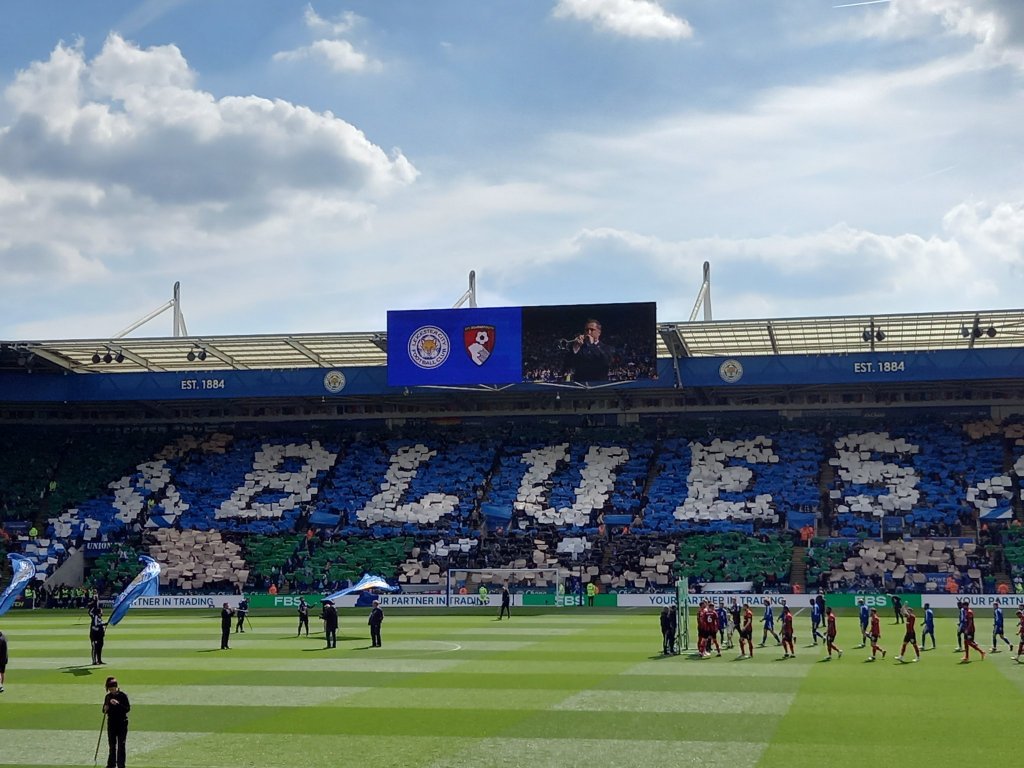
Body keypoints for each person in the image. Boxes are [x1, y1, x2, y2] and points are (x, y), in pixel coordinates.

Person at [102, 676, 130, 768]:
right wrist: (105, 709)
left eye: (112, 688)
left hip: (122, 723)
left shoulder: (123, 696)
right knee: (112, 745)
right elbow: (104, 710)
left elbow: (127, 709)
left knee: (121, 745)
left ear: (116, 687)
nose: (111, 691)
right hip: (111, 723)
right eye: (109, 689)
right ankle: (111, 764)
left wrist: (117, 704)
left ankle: (121, 765)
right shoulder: (108, 697)